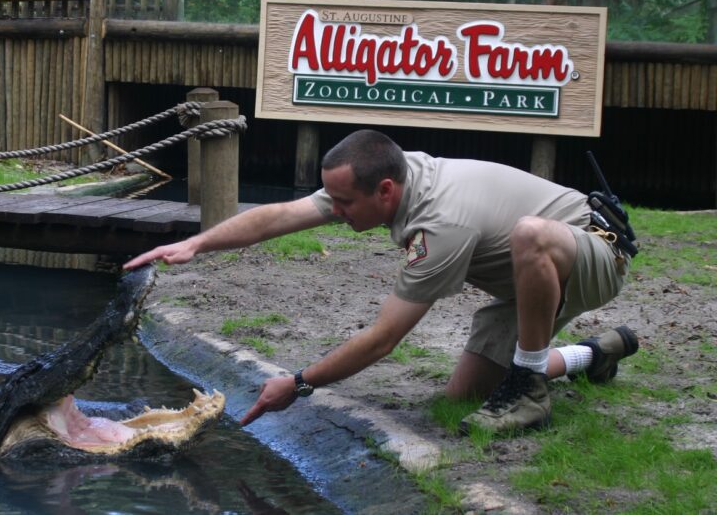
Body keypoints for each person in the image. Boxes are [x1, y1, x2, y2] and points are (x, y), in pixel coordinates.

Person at [123, 129, 638, 434]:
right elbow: (280, 214)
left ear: (385, 190)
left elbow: (384, 338)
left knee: (529, 235)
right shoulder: (379, 178)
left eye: (344, 204)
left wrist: (299, 384)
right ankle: (594, 354)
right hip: (526, 280)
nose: (336, 211)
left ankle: (530, 388)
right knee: (463, 396)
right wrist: (195, 244)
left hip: (593, 253)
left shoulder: (440, 221)